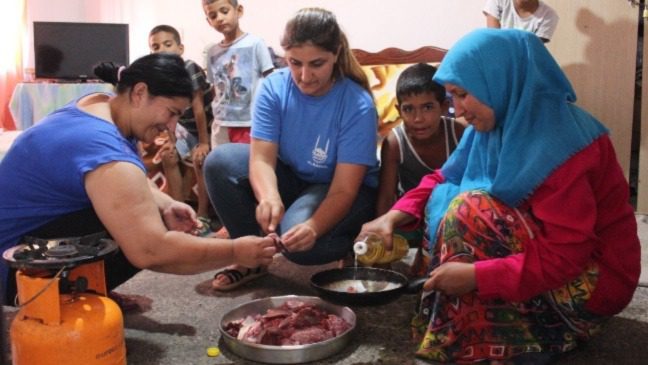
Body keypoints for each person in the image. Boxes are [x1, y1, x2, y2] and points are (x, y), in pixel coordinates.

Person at [357, 29, 640, 363]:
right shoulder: (492, 127)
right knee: (444, 197)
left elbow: (567, 257)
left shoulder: (564, 146)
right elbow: (442, 177)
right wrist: (392, 216)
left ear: (500, 80)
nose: (458, 111)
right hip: (542, 257)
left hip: (591, 281)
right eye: (452, 97)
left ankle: (540, 332)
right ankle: (492, 326)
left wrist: (476, 276)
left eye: (463, 95)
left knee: (470, 210)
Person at [0, 53, 277, 305]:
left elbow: (126, 184)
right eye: (171, 113)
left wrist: (166, 202)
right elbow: (150, 250)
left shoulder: (100, 106)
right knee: (142, 230)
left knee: (146, 212)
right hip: (12, 272)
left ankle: (86, 290)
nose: (171, 126)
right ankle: (59, 298)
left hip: (25, 241)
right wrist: (234, 251)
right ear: (139, 93)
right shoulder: (102, 148)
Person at [204, 7, 379, 290]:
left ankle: (353, 242)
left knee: (300, 245)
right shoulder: (274, 88)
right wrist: (269, 196)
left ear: (336, 54)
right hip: (296, 178)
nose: (304, 75)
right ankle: (253, 257)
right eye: (295, 63)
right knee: (220, 161)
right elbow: (261, 158)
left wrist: (313, 227)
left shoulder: (357, 104)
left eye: (317, 64)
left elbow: (343, 190)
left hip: (340, 189)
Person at [375, 63, 464, 274]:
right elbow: (386, 196)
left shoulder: (459, 133)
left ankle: (426, 259)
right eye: (408, 109)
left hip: (448, 212)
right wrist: (382, 243)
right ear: (399, 110)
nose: (418, 119)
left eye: (427, 107)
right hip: (409, 216)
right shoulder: (395, 143)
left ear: (443, 107)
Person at [148, 24, 216, 229]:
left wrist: (204, 142)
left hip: (205, 127)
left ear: (180, 48)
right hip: (182, 128)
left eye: (167, 44)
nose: (162, 50)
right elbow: (168, 112)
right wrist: (171, 140)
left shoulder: (189, 68)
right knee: (168, 156)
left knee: (200, 159)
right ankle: (177, 210)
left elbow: (198, 110)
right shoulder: (160, 76)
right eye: (155, 47)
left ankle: (203, 214)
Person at [202, 0, 274, 148]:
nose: (220, 18)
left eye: (224, 11)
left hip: (249, 122)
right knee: (220, 165)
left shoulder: (255, 43)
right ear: (208, 21)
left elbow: (271, 82)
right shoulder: (212, 52)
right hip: (220, 123)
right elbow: (214, 87)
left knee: (245, 167)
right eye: (213, 15)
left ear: (239, 11)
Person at [483, 0, 559, 43]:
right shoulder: (498, 1)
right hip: (495, 58)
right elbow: (493, 40)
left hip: (524, 63)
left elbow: (533, 51)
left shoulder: (549, 15)